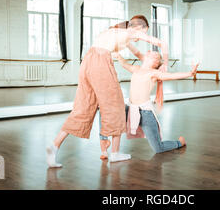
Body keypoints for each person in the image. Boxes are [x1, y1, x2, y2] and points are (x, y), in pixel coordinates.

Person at [46, 15, 169, 167]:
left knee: (83, 108)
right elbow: (162, 43)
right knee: (115, 106)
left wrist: (156, 63)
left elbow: (139, 55)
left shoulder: (115, 32)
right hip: (101, 62)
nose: (141, 36)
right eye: (145, 31)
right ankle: (115, 153)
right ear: (139, 27)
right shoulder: (132, 32)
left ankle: (55, 145)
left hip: (88, 61)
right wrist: (166, 64)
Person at [99, 51, 199, 159]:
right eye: (152, 53)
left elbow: (172, 76)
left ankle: (179, 143)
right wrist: (118, 55)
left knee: (158, 148)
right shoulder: (136, 69)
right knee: (105, 109)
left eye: (156, 56)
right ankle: (104, 144)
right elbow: (124, 63)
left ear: (156, 62)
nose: (152, 53)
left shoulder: (153, 73)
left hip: (145, 114)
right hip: (130, 109)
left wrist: (190, 73)